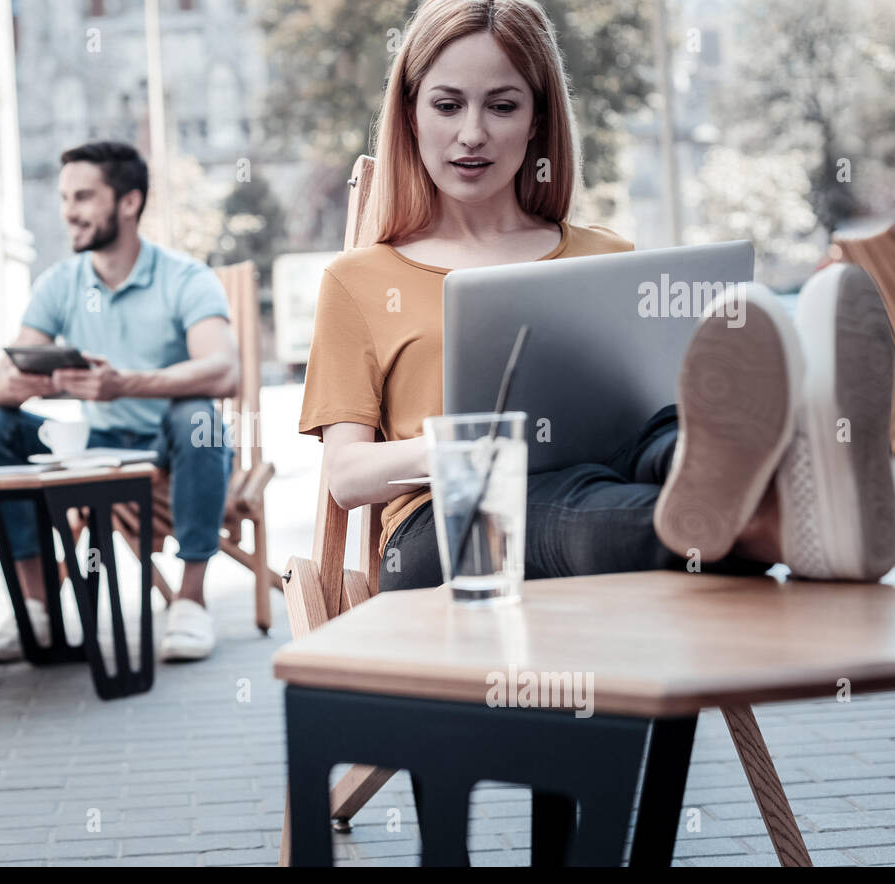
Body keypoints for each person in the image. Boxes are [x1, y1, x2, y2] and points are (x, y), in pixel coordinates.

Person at [299, 0, 895, 590]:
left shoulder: (606, 259)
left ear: (536, 120)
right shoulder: (359, 280)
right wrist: (464, 450)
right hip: (452, 529)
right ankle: (790, 511)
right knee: (560, 501)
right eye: (448, 105)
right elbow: (347, 476)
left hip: (618, 485)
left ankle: (779, 474)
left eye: (502, 107)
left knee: (661, 434)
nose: (472, 134)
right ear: (410, 113)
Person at [0, 141, 239, 662]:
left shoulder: (184, 277)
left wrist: (127, 383)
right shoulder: (60, 283)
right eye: (64, 197)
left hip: (167, 449)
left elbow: (223, 370)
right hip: (95, 446)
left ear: (128, 202)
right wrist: (34, 382)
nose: (68, 211)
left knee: (199, 418)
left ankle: (189, 602)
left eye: (83, 196)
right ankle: (36, 605)